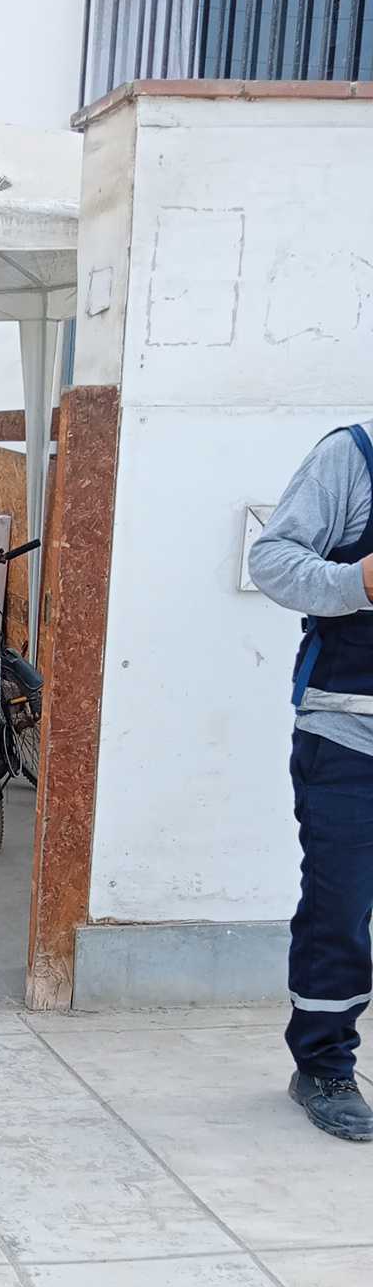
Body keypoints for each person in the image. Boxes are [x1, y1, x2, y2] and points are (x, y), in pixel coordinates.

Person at [249, 421, 373, 1141]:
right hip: (351, 734)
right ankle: (324, 1064)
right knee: (340, 908)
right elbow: (272, 559)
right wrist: (356, 582)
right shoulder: (353, 457)